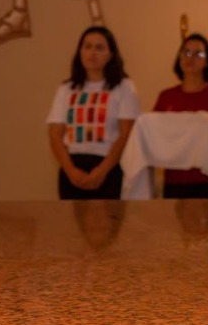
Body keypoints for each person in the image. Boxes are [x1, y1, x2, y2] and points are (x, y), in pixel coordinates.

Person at [45, 25, 140, 199]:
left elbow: (126, 134)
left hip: (109, 166)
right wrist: (71, 171)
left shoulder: (124, 87)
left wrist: (101, 171)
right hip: (72, 167)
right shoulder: (66, 89)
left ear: (111, 54)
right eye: (87, 46)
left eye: (99, 48)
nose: (92, 53)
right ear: (79, 51)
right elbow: (55, 135)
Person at [152, 33, 208, 198]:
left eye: (198, 54)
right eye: (186, 52)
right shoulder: (166, 96)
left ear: (207, 61)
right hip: (177, 178)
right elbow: (157, 135)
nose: (190, 58)